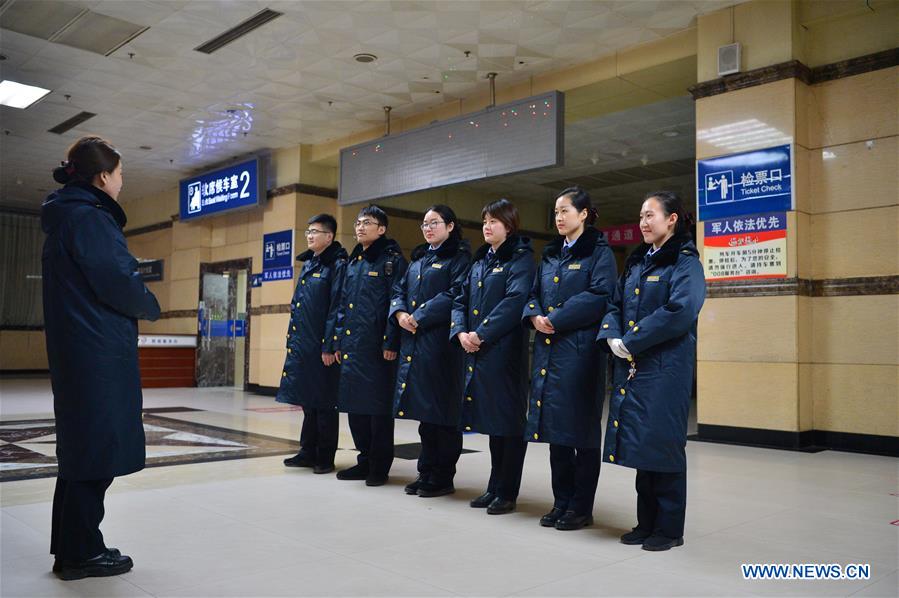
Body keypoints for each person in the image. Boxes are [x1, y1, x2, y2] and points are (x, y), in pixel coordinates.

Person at [41, 136, 160, 580]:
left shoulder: (66, 218)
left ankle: (71, 546)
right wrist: (149, 305)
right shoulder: (89, 220)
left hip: (80, 350)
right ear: (104, 176)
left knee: (81, 451)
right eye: (121, 174)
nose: (122, 182)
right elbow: (117, 280)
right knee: (96, 452)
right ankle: (82, 552)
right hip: (97, 354)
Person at [597, 190, 706, 552]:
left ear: (672, 219)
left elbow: (681, 310)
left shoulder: (685, 262)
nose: (643, 223)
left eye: (650, 215)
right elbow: (614, 302)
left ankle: (670, 529)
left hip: (667, 368)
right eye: (641, 216)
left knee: (665, 445)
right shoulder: (639, 261)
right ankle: (646, 523)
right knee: (644, 444)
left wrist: (633, 341)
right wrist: (613, 336)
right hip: (636, 366)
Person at [522, 186, 616, 531]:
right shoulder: (549, 254)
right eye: (556, 212)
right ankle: (561, 500)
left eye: (565, 211)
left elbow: (600, 294)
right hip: (548, 351)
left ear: (584, 214)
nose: (559, 218)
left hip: (580, 354)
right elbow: (532, 294)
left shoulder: (599, 253)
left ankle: (581, 506)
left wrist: (556, 318)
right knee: (555, 430)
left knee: (582, 433)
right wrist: (534, 316)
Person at [453, 199, 535, 514]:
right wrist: (461, 331)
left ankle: (507, 491)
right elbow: (460, 298)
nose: (488, 226)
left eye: (495, 221)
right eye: (485, 220)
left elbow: (514, 302)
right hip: (478, 351)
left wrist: (481, 333)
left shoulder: (521, 259)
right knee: (492, 424)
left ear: (509, 225)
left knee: (509, 424)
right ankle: (494, 486)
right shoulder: (480, 261)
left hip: (505, 353)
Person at [390, 205, 471, 497]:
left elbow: (455, 294)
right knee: (425, 414)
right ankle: (426, 472)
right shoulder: (419, 259)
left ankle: (443, 476)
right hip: (415, 341)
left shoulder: (459, 258)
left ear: (450, 226)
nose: (428, 228)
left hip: (442, 344)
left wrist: (419, 315)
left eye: (434, 223)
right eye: (424, 223)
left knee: (444, 414)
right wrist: (400, 314)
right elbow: (398, 290)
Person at [334, 206, 407, 486]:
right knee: (355, 406)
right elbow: (342, 304)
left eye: (368, 223)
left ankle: (379, 465)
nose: (361, 227)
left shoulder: (392, 261)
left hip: (377, 348)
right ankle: (363, 460)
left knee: (377, 409)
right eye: (359, 222)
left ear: (382, 229)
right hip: (353, 345)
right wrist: (338, 340)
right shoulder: (354, 262)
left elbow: (396, 302)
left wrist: (391, 340)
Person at [277, 214, 347, 474]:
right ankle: (307, 451)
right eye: (308, 231)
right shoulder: (310, 263)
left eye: (315, 231)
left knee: (325, 402)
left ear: (329, 236)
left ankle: (325, 456)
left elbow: (337, 306)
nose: (309, 235)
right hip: (303, 343)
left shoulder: (337, 264)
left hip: (321, 346)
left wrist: (330, 345)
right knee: (307, 400)